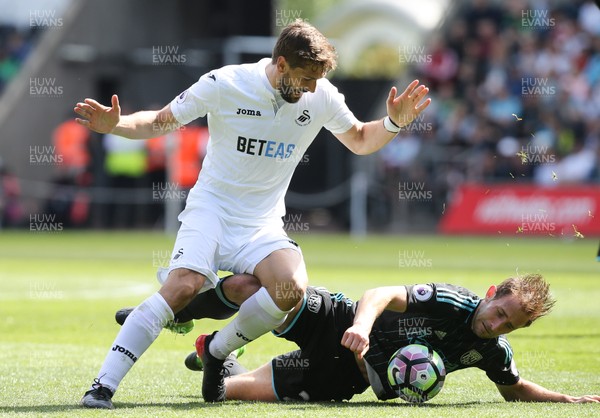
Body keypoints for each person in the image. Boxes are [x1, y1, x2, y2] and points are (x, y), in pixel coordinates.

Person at [74, 19, 431, 409]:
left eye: (318, 79)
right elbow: (160, 121)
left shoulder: (321, 95)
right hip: (211, 210)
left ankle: (215, 350)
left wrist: (395, 122)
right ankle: (102, 387)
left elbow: (361, 139)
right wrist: (116, 125)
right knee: (183, 285)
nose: (312, 87)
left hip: (261, 223)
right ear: (280, 63)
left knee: (289, 288)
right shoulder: (225, 83)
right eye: (306, 77)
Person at [177, 273, 600, 403]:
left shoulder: (491, 351)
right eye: (500, 313)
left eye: (509, 325)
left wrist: (564, 400)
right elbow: (379, 294)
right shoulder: (451, 301)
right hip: (339, 320)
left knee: (220, 395)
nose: (497, 325)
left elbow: (514, 389)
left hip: (345, 376)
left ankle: (219, 354)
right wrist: (359, 327)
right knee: (261, 289)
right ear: (492, 294)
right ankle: (178, 309)